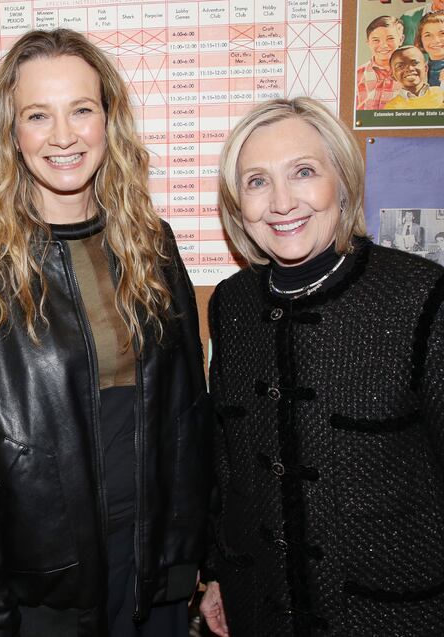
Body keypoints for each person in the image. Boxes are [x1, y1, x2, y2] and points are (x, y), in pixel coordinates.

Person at [0, 28, 211, 637]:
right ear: (11, 134)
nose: (63, 135)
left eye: (81, 109)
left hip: (153, 574)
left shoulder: (153, 242)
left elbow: (189, 417)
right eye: (37, 116)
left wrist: (198, 561)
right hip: (45, 596)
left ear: (109, 120)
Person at [199, 96, 444, 636]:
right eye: (257, 181)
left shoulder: (420, 298)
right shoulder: (232, 305)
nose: (282, 202)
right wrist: (218, 573)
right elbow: (227, 462)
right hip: (262, 607)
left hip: (394, 614)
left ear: (343, 181)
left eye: (303, 172)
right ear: (238, 203)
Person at [355, 16, 403, 110]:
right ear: (368, 43)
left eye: (390, 38)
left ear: (401, 40)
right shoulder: (357, 75)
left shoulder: (412, 74)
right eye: (376, 40)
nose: (384, 45)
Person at [415, 11, 444, 86]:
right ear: (420, 39)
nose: (436, 40)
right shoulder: (417, 72)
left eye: (442, 34)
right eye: (428, 35)